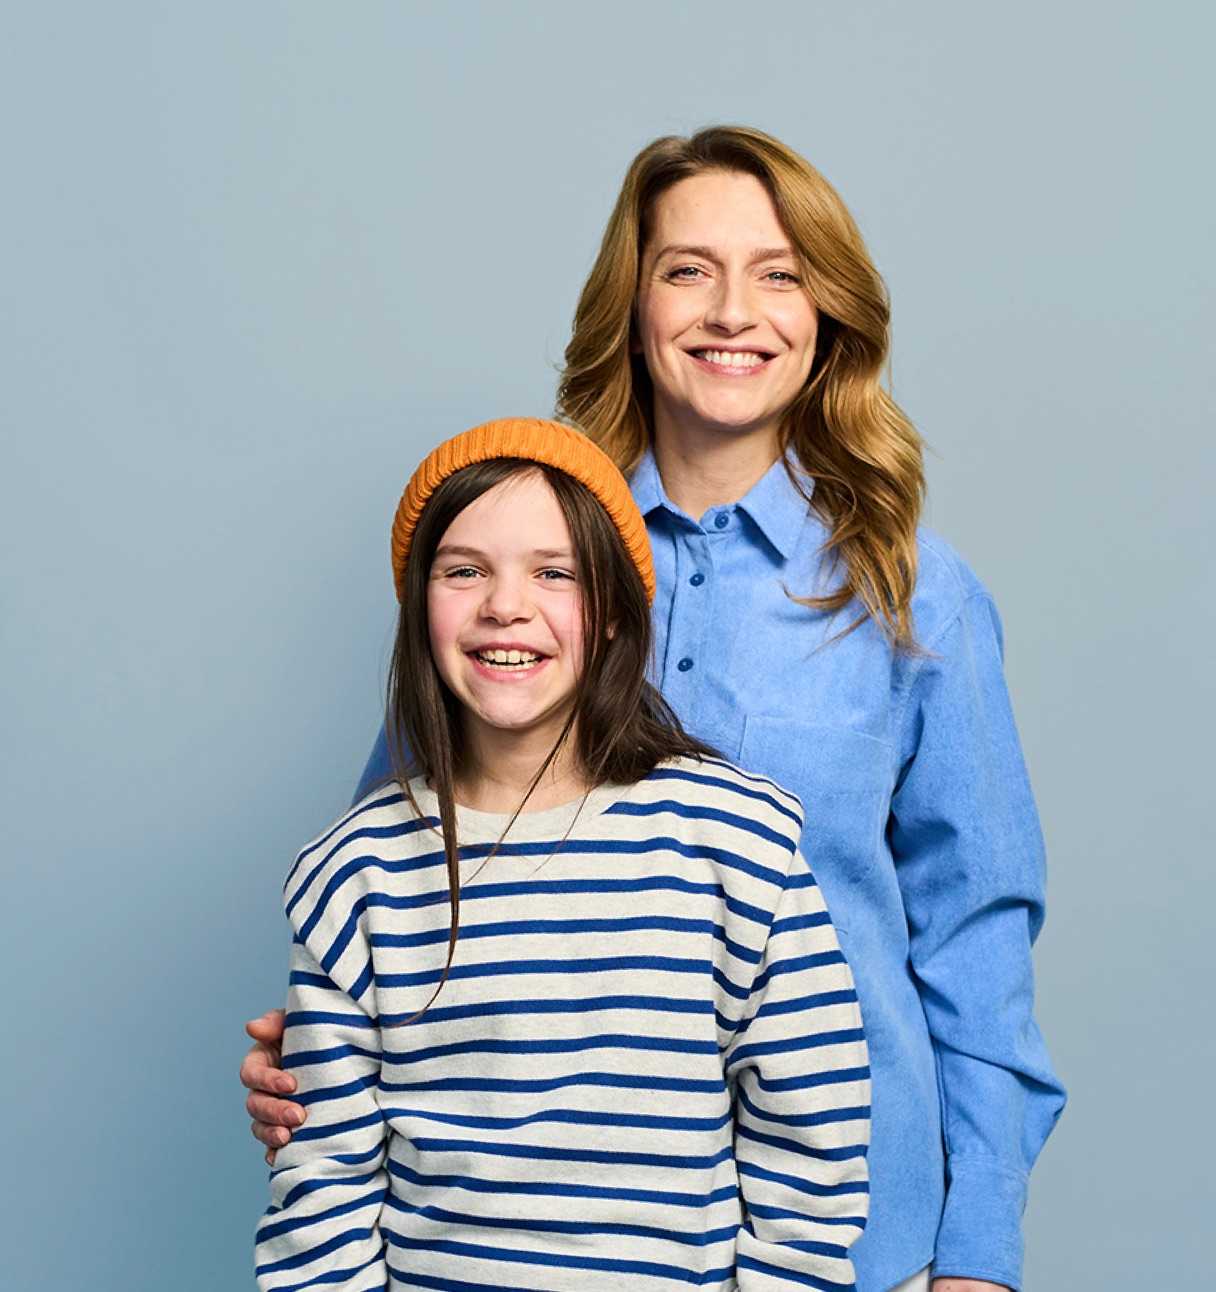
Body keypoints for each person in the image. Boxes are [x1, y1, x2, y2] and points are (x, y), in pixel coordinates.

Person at [244, 127, 1066, 1292]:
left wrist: (976, 1253)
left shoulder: (918, 598)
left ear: (828, 313)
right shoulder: (515, 575)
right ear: (630, 306)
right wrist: (315, 1064)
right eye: (687, 269)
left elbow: (976, 948)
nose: (734, 310)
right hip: (513, 1242)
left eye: (780, 272)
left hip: (847, 1241)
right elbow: (406, 878)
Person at [253, 417, 871, 1291]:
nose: (506, 605)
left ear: (614, 611)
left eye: (555, 573)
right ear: (419, 605)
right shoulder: (356, 874)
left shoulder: (740, 844)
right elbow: (322, 1200)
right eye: (464, 570)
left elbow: (810, 1158)